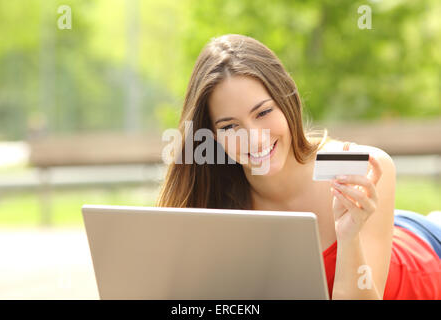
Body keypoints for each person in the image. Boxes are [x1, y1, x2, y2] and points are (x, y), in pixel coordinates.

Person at [156, 34, 441, 299]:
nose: (255, 139)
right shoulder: (215, 206)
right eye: (230, 126)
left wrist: (349, 236)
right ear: (213, 136)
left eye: (264, 112)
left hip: (425, 258)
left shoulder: (361, 170)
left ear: (286, 99)